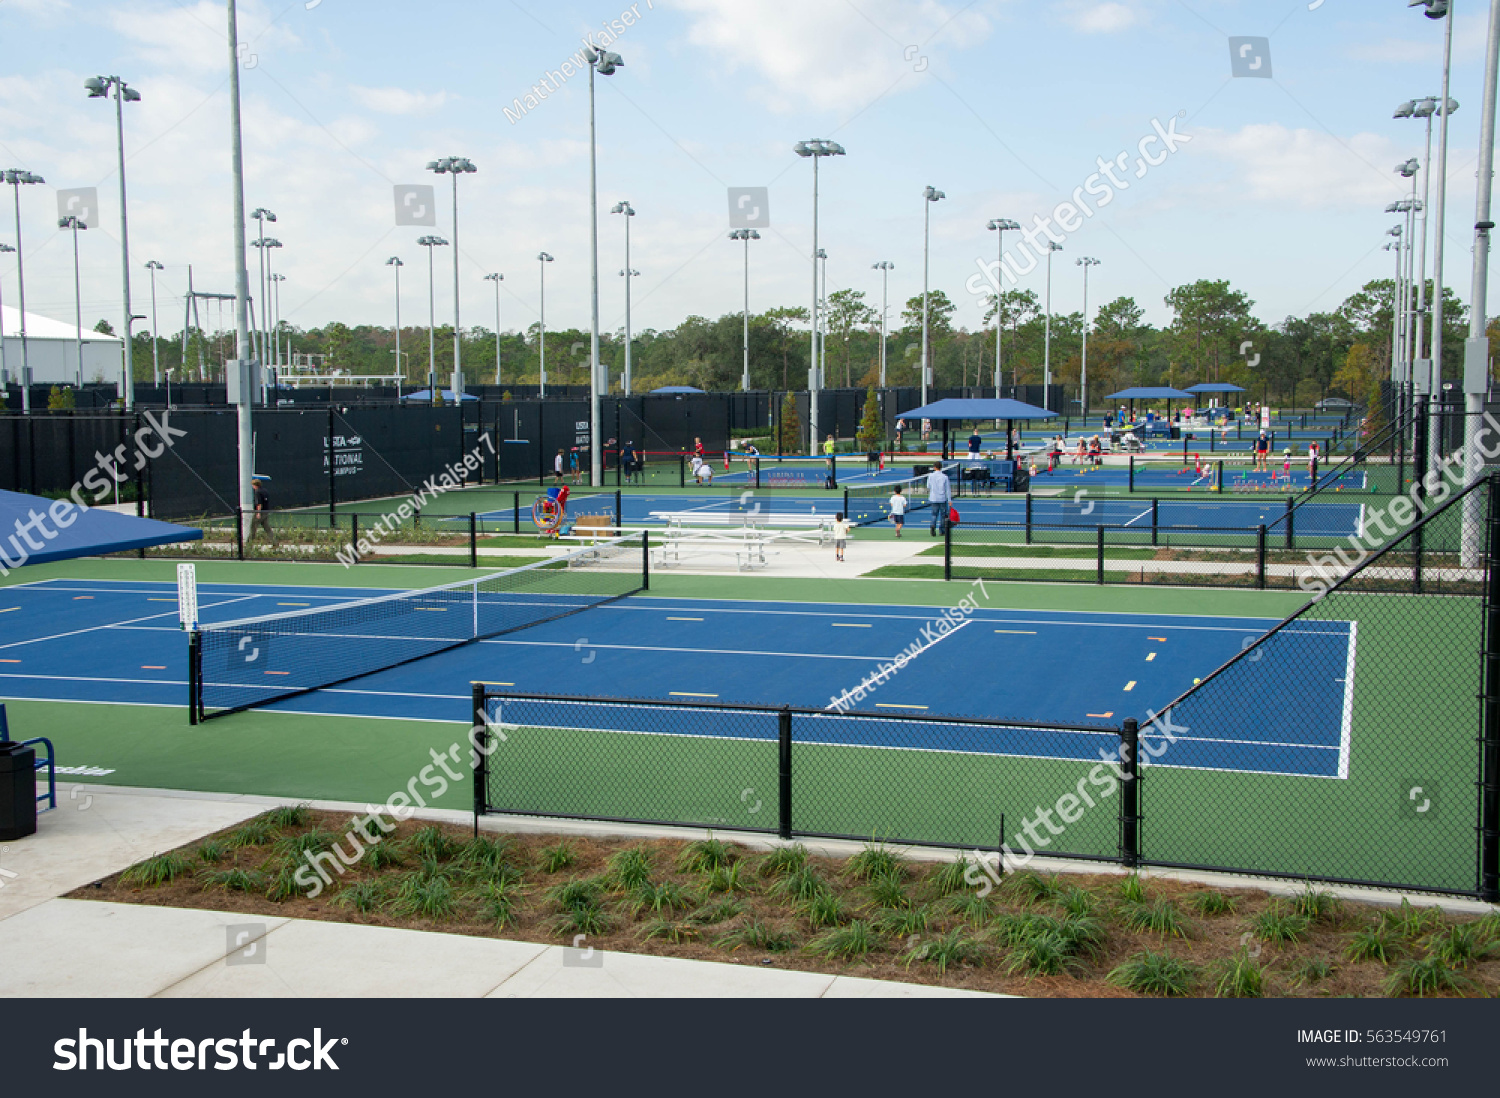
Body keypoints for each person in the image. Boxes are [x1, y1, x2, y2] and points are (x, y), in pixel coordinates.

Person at [926, 463, 953, 536]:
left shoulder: (930, 476)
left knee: (934, 514)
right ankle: (942, 530)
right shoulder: (944, 477)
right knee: (943, 515)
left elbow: (928, 486)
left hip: (933, 498)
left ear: (934, 467)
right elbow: (948, 489)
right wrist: (949, 500)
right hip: (942, 498)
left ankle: (933, 526)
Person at [248, 476, 274, 544]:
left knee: (253, 526)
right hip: (266, 511)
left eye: (253, 485)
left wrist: (258, 513)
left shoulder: (257, 492)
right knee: (267, 528)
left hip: (260, 512)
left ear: (255, 485)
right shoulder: (265, 491)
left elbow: (259, 504)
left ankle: (250, 543)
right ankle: (274, 542)